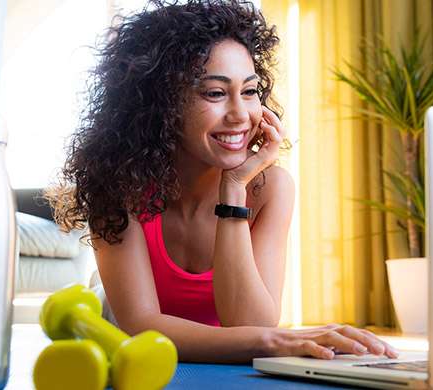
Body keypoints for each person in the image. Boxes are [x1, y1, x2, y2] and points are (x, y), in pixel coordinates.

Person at [47, 0, 399, 363]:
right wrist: (276, 341)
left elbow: (249, 323)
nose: (240, 115)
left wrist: (233, 188)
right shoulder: (119, 187)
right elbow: (141, 326)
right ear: (161, 105)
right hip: (126, 344)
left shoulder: (269, 188)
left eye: (249, 91)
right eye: (215, 93)